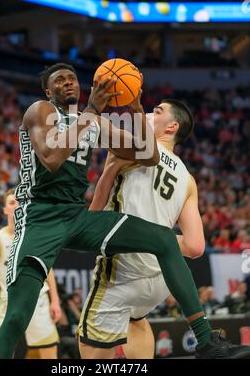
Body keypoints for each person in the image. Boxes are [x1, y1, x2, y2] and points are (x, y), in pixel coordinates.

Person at [0, 63, 250, 359]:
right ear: (49, 91)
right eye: (59, 80)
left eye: (72, 78)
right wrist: (91, 112)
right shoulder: (40, 111)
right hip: (39, 219)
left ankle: (206, 342)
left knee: (163, 238)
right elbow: (51, 157)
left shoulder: (92, 122)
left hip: (76, 217)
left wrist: (136, 106)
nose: (68, 82)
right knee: (17, 318)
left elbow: (148, 155)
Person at [78, 100, 206, 358]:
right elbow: (195, 246)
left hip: (124, 270)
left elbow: (96, 211)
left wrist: (109, 169)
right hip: (160, 278)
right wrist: (160, 239)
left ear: (172, 126)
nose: (148, 114)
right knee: (137, 320)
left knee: (89, 340)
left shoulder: (132, 147)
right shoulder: (187, 179)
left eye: (157, 111)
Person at [0, 189, 61, 359]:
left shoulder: (36, 236)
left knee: (49, 354)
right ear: (5, 210)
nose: (16, 205)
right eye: (11, 202)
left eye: (19, 201)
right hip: (9, 304)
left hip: (38, 301)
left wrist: (55, 300)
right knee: (4, 352)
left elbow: (48, 269)